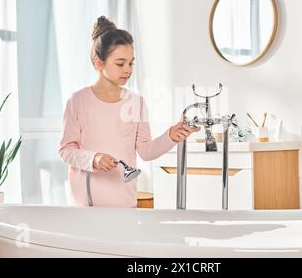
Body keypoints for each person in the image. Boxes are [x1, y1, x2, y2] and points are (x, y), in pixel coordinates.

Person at [58, 16, 200, 207]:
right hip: (86, 204)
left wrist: (171, 136)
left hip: (125, 202)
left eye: (131, 63)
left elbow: (146, 151)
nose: (128, 70)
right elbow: (66, 150)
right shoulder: (78, 101)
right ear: (99, 63)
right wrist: (94, 158)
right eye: (120, 63)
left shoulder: (136, 103)